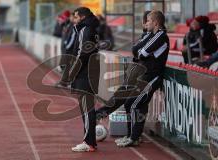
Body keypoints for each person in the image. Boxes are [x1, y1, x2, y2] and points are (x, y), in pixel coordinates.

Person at [96, 10, 169, 147]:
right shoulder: (150, 34)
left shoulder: (161, 36)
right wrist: (140, 52)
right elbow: (135, 50)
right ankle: (131, 135)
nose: (146, 23)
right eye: (146, 20)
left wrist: (140, 52)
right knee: (130, 103)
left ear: (156, 22)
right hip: (142, 75)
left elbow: (142, 53)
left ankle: (134, 138)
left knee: (135, 104)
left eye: (148, 21)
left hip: (152, 77)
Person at [70, 7, 100, 152]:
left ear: (81, 17)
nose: (73, 20)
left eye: (75, 17)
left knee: (87, 109)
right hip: (90, 72)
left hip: (85, 73)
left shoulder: (85, 30)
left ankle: (89, 142)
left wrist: (72, 72)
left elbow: (82, 54)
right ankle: (90, 141)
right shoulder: (91, 28)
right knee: (87, 108)